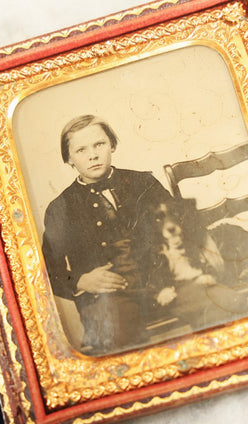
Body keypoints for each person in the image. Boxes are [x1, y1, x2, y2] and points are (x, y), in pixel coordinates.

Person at [42, 115, 171, 355]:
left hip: (161, 281)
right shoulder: (60, 208)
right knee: (122, 338)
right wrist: (80, 281)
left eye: (99, 145)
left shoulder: (144, 183)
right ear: (68, 158)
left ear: (111, 145)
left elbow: (182, 228)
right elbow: (48, 269)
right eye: (81, 150)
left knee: (216, 302)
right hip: (106, 298)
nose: (92, 155)